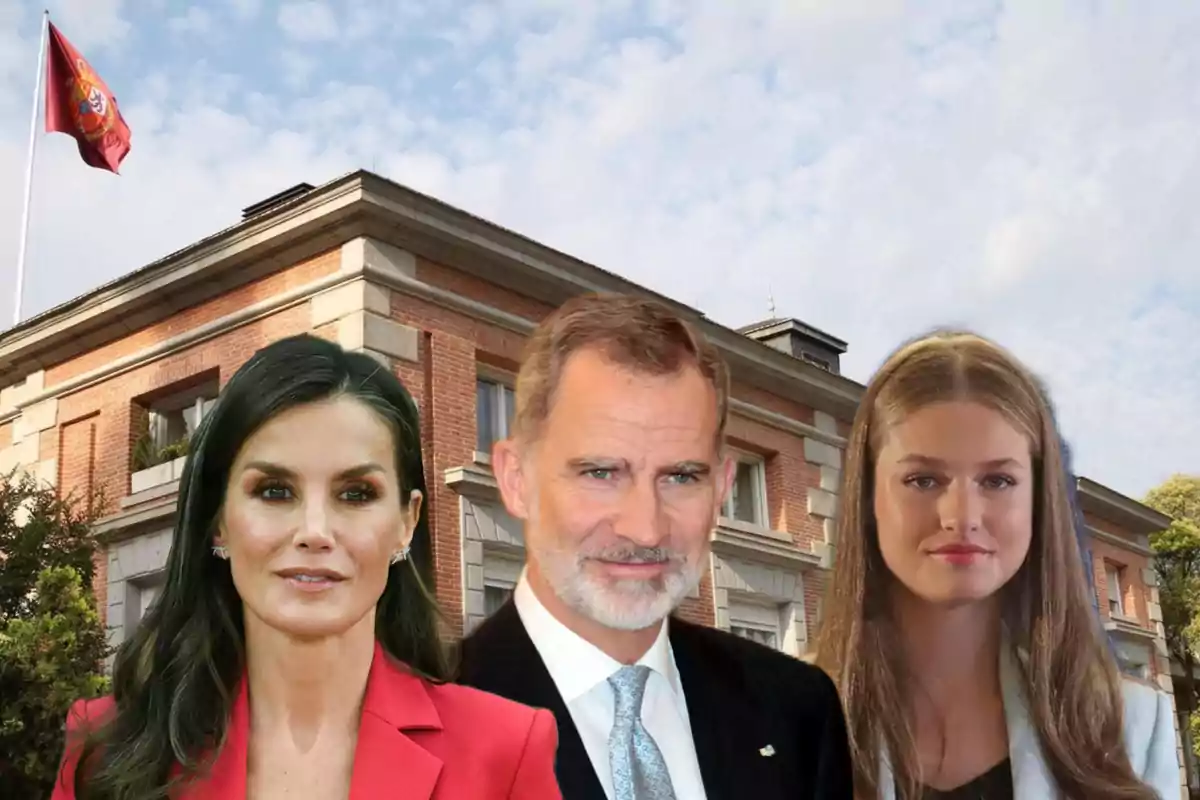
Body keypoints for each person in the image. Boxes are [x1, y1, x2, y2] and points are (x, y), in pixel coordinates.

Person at [53, 334, 561, 799]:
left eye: (356, 494)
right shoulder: (108, 747)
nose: (315, 531)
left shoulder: (506, 750)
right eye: (274, 491)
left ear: (406, 524)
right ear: (219, 522)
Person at [455, 293, 854, 800]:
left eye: (682, 476)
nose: (645, 529)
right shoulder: (415, 726)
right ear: (516, 480)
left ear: (722, 489)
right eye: (601, 472)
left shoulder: (797, 710)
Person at [813, 329, 1179, 800]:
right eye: (923, 480)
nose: (961, 517)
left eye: (998, 480)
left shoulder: (1132, 725)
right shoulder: (782, 720)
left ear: (1037, 501)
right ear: (869, 498)